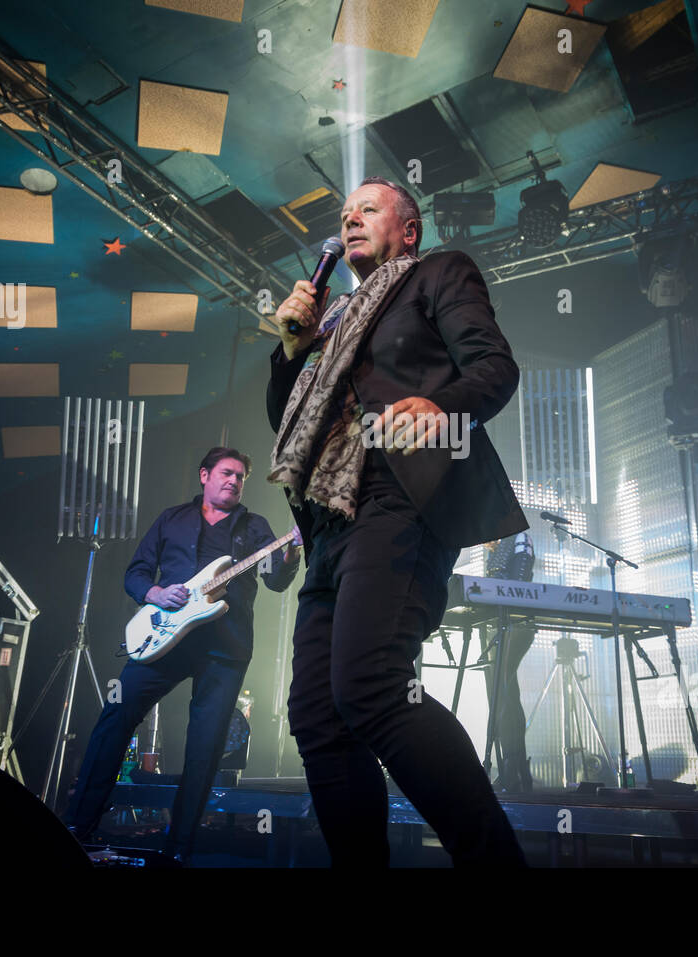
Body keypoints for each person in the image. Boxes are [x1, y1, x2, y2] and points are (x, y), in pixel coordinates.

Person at [266, 175, 529, 866]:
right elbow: (290, 426)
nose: (349, 220)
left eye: (368, 210)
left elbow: (495, 365)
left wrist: (445, 407)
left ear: (408, 230)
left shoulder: (438, 274)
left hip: (398, 496)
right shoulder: (333, 322)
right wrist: (292, 350)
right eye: (344, 213)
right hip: (328, 522)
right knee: (318, 718)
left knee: (372, 684)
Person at [64, 446, 300, 863]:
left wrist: (291, 551)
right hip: (163, 636)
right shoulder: (172, 519)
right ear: (204, 475)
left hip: (225, 647)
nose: (234, 481)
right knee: (114, 717)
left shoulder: (255, 528)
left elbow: (278, 581)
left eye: (241, 476)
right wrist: (155, 592)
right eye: (227, 473)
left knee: (205, 746)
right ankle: (77, 827)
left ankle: (179, 850)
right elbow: (136, 572)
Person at [482, 531, 536, 793]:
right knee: (507, 693)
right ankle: (516, 770)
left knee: (502, 692)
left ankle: (512, 768)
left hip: (517, 623)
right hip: (497, 624)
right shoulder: (494, 546)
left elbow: (519, 583)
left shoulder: (518, 538)